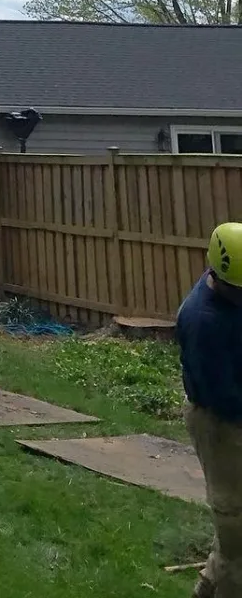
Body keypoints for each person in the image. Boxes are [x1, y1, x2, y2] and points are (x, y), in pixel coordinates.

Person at [177, 223, 242, 598]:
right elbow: (228, 398)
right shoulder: (204, 323)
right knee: (237, 528)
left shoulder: (233, 274)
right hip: (220, 424)